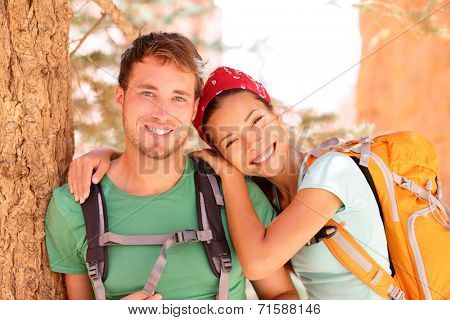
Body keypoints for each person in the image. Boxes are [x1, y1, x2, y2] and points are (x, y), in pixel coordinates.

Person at [71, 65, 393, 300]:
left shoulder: (331, 172)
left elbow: (257, 262)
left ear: (276, 115)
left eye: (257, 121)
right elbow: (157, 160)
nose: (254, 143)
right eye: (232, 142)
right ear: (221, 153)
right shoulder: (273, 201)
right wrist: (110, 156)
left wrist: (230, 174)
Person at [45, 33, 298, 300]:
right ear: (120, 96)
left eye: (178, 98)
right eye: (147, 93)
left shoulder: (237, 197)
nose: (162, 113)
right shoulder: (74, 206)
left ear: (193, 109)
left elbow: (282, 297)